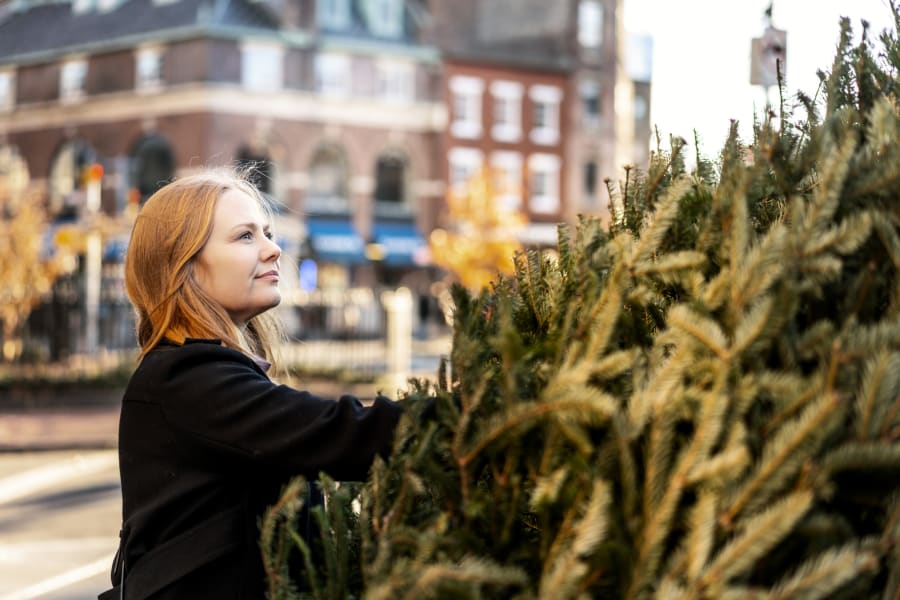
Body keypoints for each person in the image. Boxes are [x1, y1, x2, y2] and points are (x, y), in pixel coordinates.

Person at [100, 168, 403, 600]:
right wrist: (461, 415)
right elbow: (340, 435)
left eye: (268, 233)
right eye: (245, 237)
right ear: (183, 264)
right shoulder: (186, 379)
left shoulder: (206, 371)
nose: (274, 249)